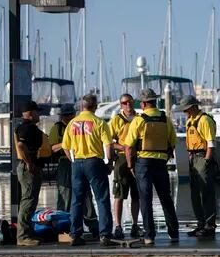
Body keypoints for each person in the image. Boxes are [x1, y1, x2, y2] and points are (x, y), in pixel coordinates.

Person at [124, 88, 180, 246]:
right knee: (166, 198)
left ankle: (149, 236)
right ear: (155, 101)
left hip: (144, 163)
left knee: (145, 199)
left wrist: (130, 165)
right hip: (161, 163)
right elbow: (173, 142)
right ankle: (174, 233)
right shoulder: (165, 119)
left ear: (143, 103)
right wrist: (165, 157)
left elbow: (128, 147)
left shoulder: (139, 120)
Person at [61, 94, 115, 247]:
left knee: (76, 201)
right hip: (94, 162)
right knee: (102, 199)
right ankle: (105, 235)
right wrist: (109, 163)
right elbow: (108, 146)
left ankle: (76, 235)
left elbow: (65, 146)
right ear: (95, 106)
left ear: (81, 107)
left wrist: (73, 160)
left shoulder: (72, 123)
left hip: (77, 162)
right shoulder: (99, 122)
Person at [49, 104, 100, 237]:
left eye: (70, 114)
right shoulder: (57, 128)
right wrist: (66, 142)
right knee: (65, 195)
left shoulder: (77, 125)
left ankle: (92, 224)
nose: (68, 117)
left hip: (79, 160)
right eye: (66, 115)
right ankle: (64, 226)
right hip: (65, 163)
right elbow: (52, 147)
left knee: (86, 194)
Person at [179, 95, 218, 238]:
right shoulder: (190, 121)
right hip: (193, 158)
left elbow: (211, 142)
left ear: (194, 107)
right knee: (195, 194)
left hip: (202, 157)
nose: (185, 112)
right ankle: (201, 224)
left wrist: (207, 161)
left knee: (206, 193)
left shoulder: (205, 120)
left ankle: (209, 225)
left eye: (187, 109)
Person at [109, 93, 142, 240]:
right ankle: (118, 226)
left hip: (138, 157)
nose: (127, 105)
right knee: (119, 194)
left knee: (137, 194)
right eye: (124, 103)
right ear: (120, 105)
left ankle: (135, 225)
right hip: (122, 158)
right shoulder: (116, 120)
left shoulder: (140, 118)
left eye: (129, 102)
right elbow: (109, 141)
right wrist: (123, 147)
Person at [14, 101, 47, 246]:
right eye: (37, 111)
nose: (38, 114)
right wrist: (29, 164)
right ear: (30, 113)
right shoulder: (26, 128)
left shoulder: (29, 127)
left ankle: (29, 232)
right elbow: (21, 145)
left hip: (32, 167)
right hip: (29, 168)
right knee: (27, 201)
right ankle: (22, 236)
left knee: (31, 201)